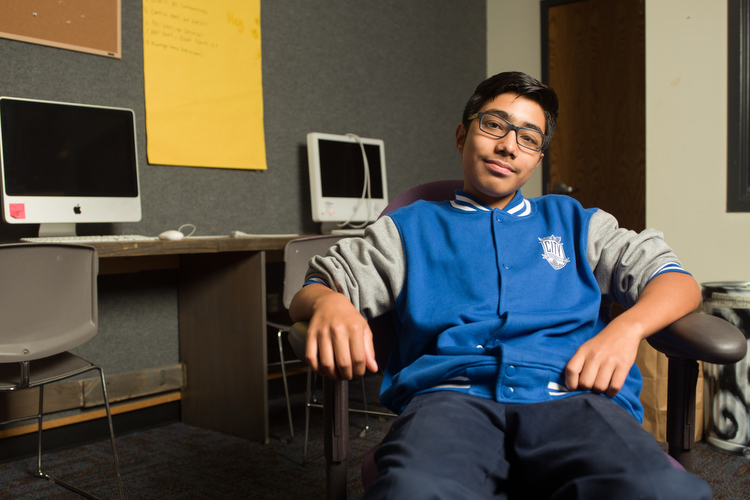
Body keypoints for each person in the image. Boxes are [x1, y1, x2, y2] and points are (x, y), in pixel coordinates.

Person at [290, 71, 713, 499]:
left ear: (537, 159)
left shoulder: (578, 223)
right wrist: (329, 303)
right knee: (413, 490)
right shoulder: (408, 229)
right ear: (462, 135)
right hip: (451, 399)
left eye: (528, 138)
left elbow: (676, 281)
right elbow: (316, 286)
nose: (509, 145)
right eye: (494, 125)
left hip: (573, 396)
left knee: (658, 490)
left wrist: (627, 329)